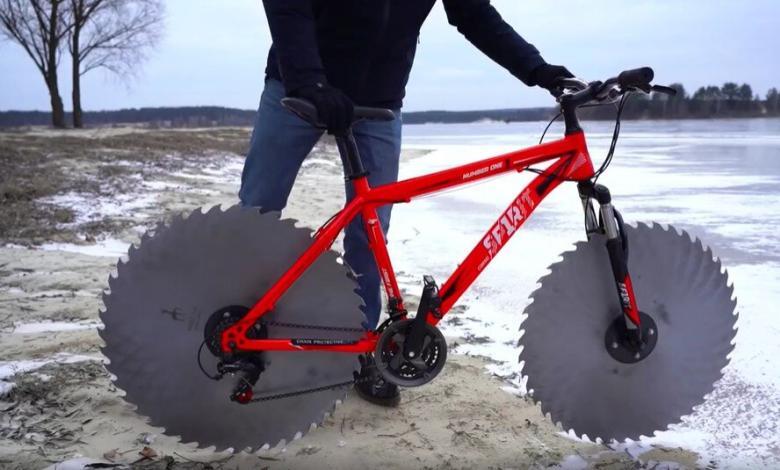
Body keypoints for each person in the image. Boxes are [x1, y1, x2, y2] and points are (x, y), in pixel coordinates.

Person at [239, 0, 573, 407]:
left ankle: (362, 352)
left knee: (370, 232)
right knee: (257, 212)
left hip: (379, 104)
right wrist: (310, 80)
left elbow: (475, 15)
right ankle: (231, 322)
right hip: (297, 90)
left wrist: (539, 71)